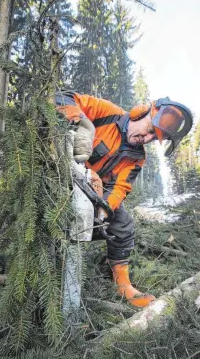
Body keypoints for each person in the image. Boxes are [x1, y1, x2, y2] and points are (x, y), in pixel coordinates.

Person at [56, 91, 193, 308]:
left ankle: (122, 283)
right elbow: (64, 97)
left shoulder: (137, 158)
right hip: (59, 175)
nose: (145, 139)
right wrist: (81, 122)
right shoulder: (108, 113)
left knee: (123, 225)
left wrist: (103, 208)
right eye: (149, 130)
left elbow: (120, 188)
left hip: (91, 193)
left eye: (152, 138)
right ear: (141, 113)